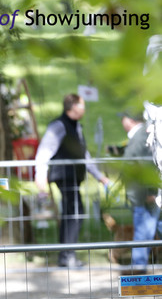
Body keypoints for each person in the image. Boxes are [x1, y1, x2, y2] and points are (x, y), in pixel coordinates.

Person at [35, 93, 110, 268]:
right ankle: (67, 256)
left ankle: (66, 255)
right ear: (73, 107)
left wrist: (98, 176)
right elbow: (45, 150)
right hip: (64, 176)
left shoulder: (75, 127)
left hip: (73, 177)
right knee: (74, 213)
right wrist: (40, 174)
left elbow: (83, 154)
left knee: (73, 213)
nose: (84, 110)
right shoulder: (59, 126)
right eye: (82, 106)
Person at [119, 112, 160, 274]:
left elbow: (148, 165)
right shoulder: (143, 135)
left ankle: (138, 268)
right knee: (149, 228)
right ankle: (139, 267)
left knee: (143, 232)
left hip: (144, 195)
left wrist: (149, 192)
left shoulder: (142, 136)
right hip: (143, 194)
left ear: (128, 120)